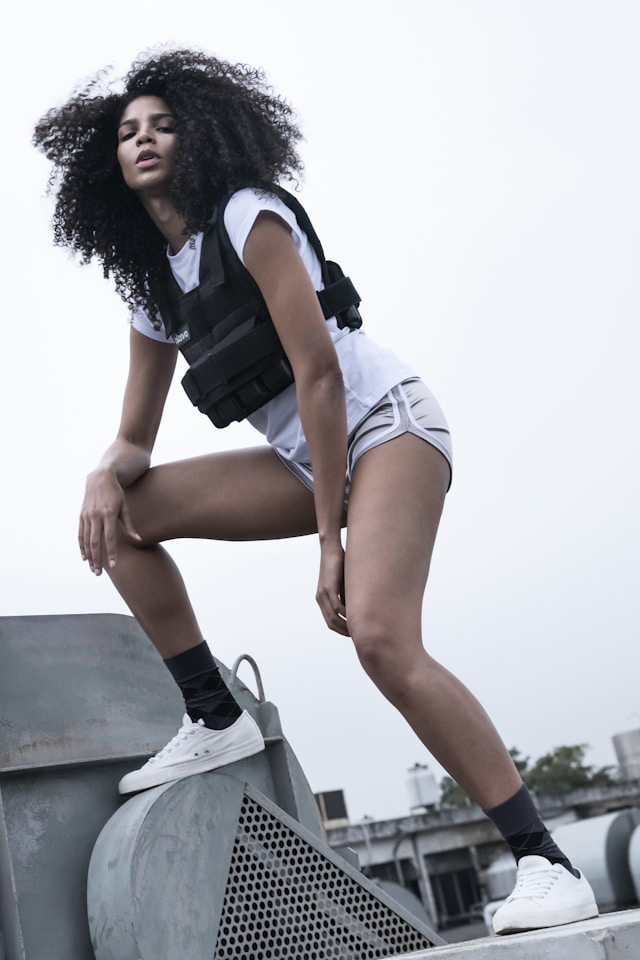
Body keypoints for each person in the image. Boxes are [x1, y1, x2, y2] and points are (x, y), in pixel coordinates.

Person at [34, 47, 598, 936]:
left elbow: (321, 376)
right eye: (127, 132)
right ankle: (212, 713)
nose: (143, 140)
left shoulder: (247, 216)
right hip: (311, 464)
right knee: (123, 518)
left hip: (386, 426)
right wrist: (101, 473)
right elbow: (136, 441)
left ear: (199, 136)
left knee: (379, 637)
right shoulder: (154, 287)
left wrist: (331, 542)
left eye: (163, 126)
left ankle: (546, 862)